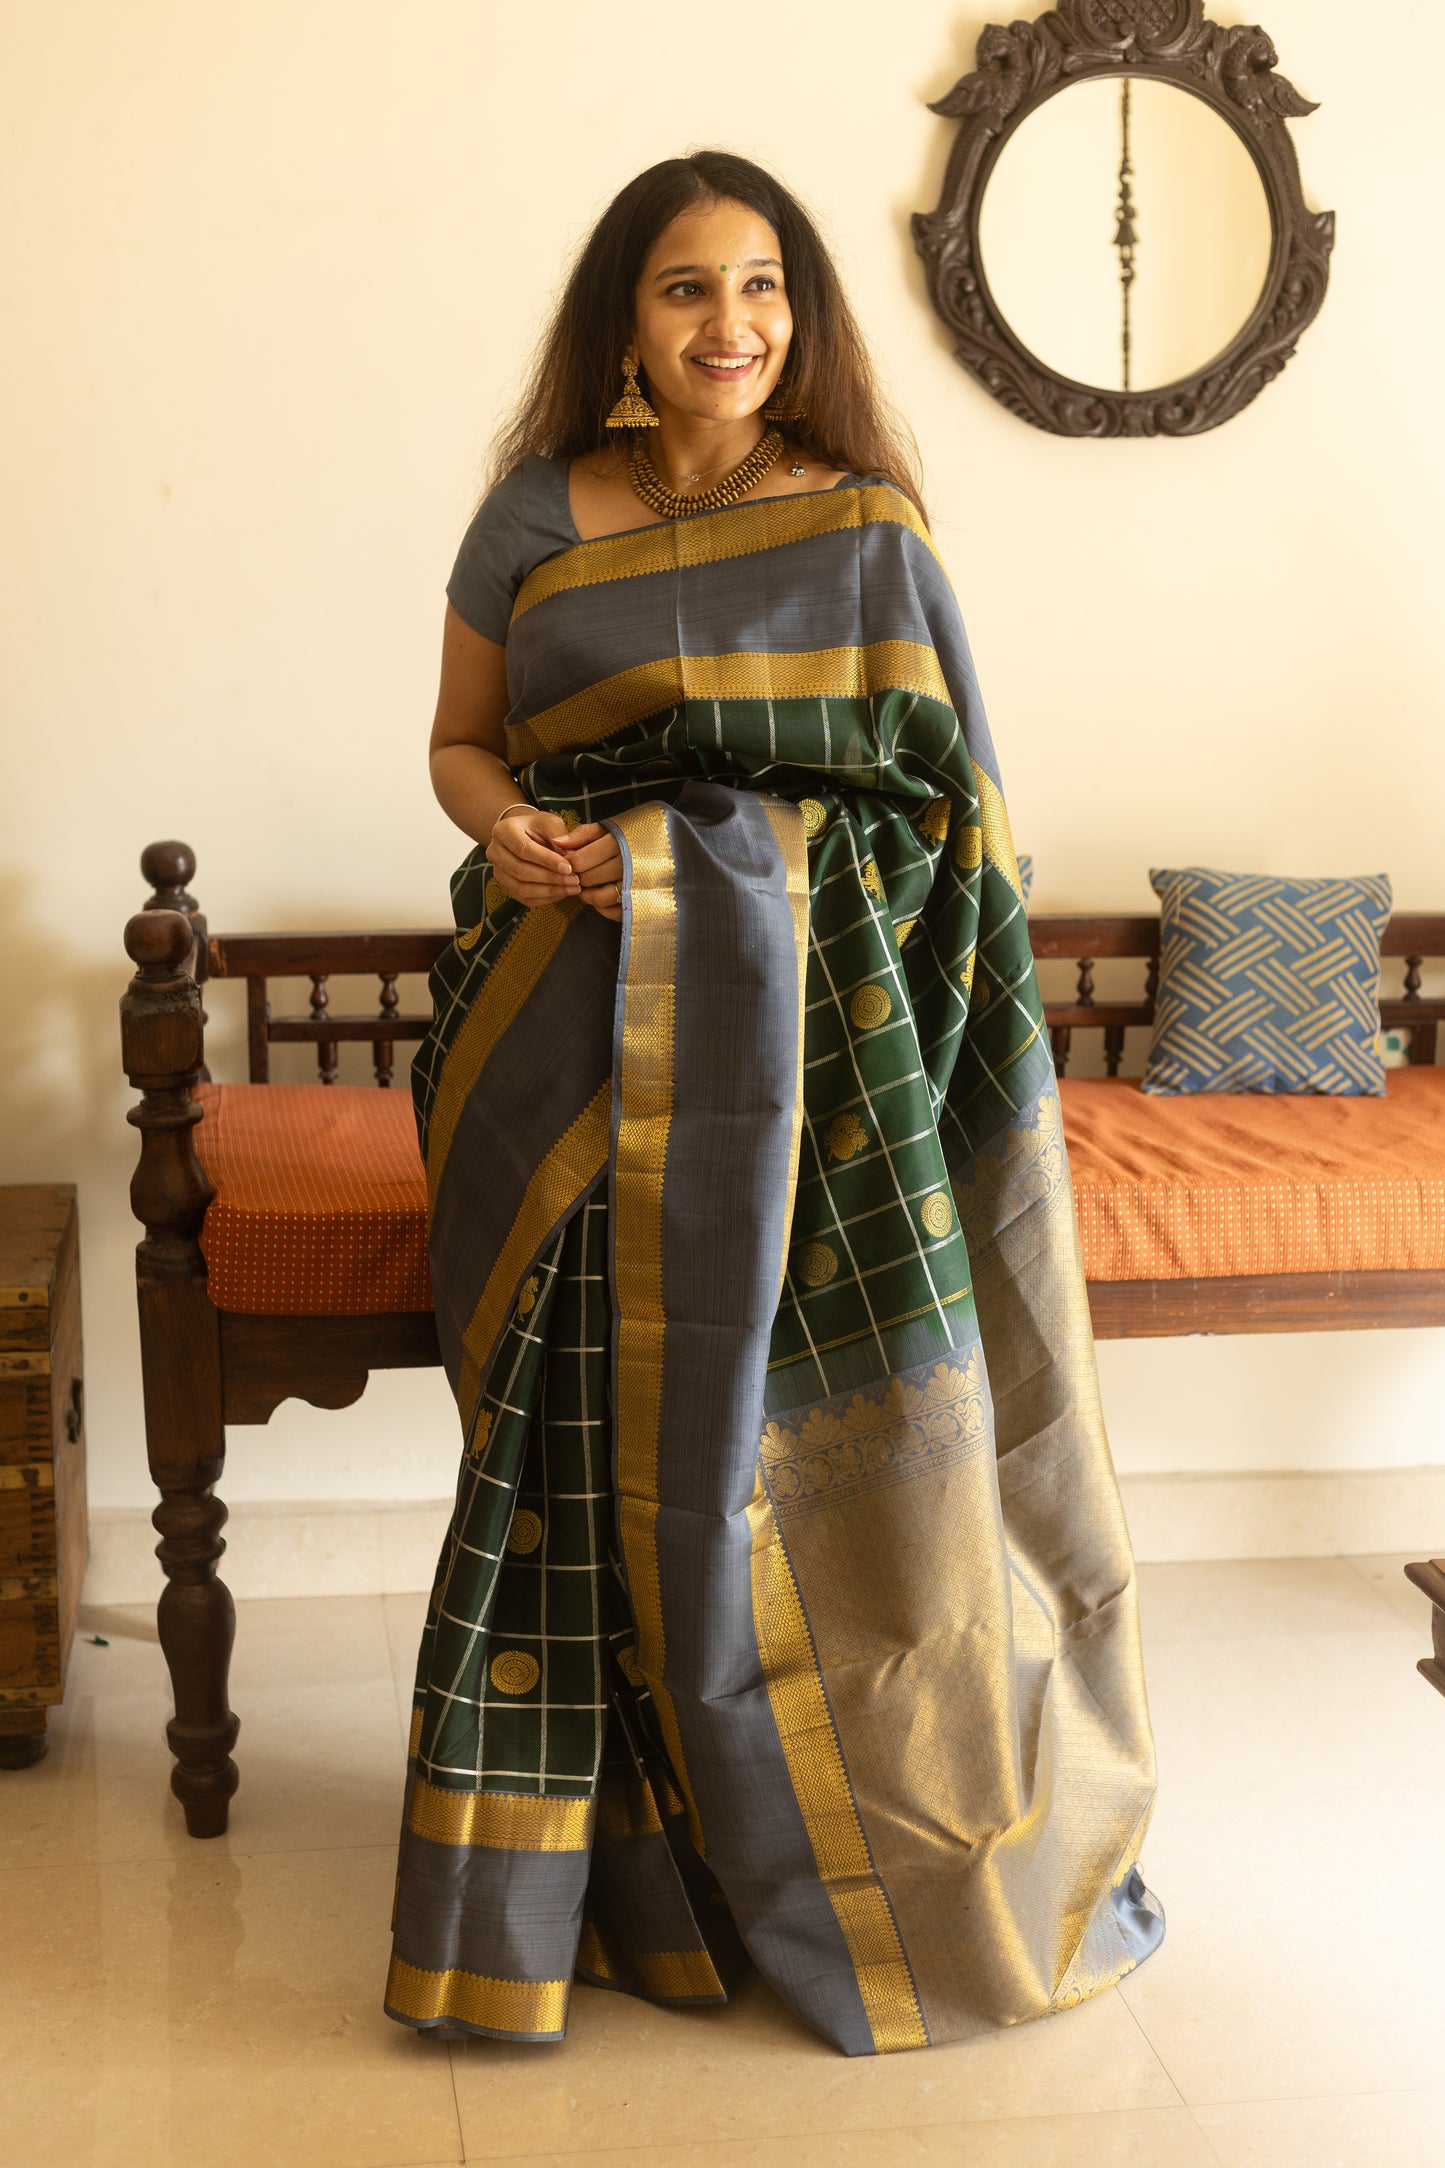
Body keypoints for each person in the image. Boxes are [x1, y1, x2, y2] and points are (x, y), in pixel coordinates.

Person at [385, 149, 1163, 2056]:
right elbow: (460, 743)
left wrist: (727, 873)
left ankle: (820, 1847)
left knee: (769, 1430)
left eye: (760, 287)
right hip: (568, 1024)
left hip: (821, 1049)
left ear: (798, 313)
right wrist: (534, 842)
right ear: (621, 322)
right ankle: (613, 1869)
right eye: (681, 290)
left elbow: (946, 817)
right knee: (578, 1433)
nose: (728, 325)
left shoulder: (868, 527)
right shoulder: (527, 518)